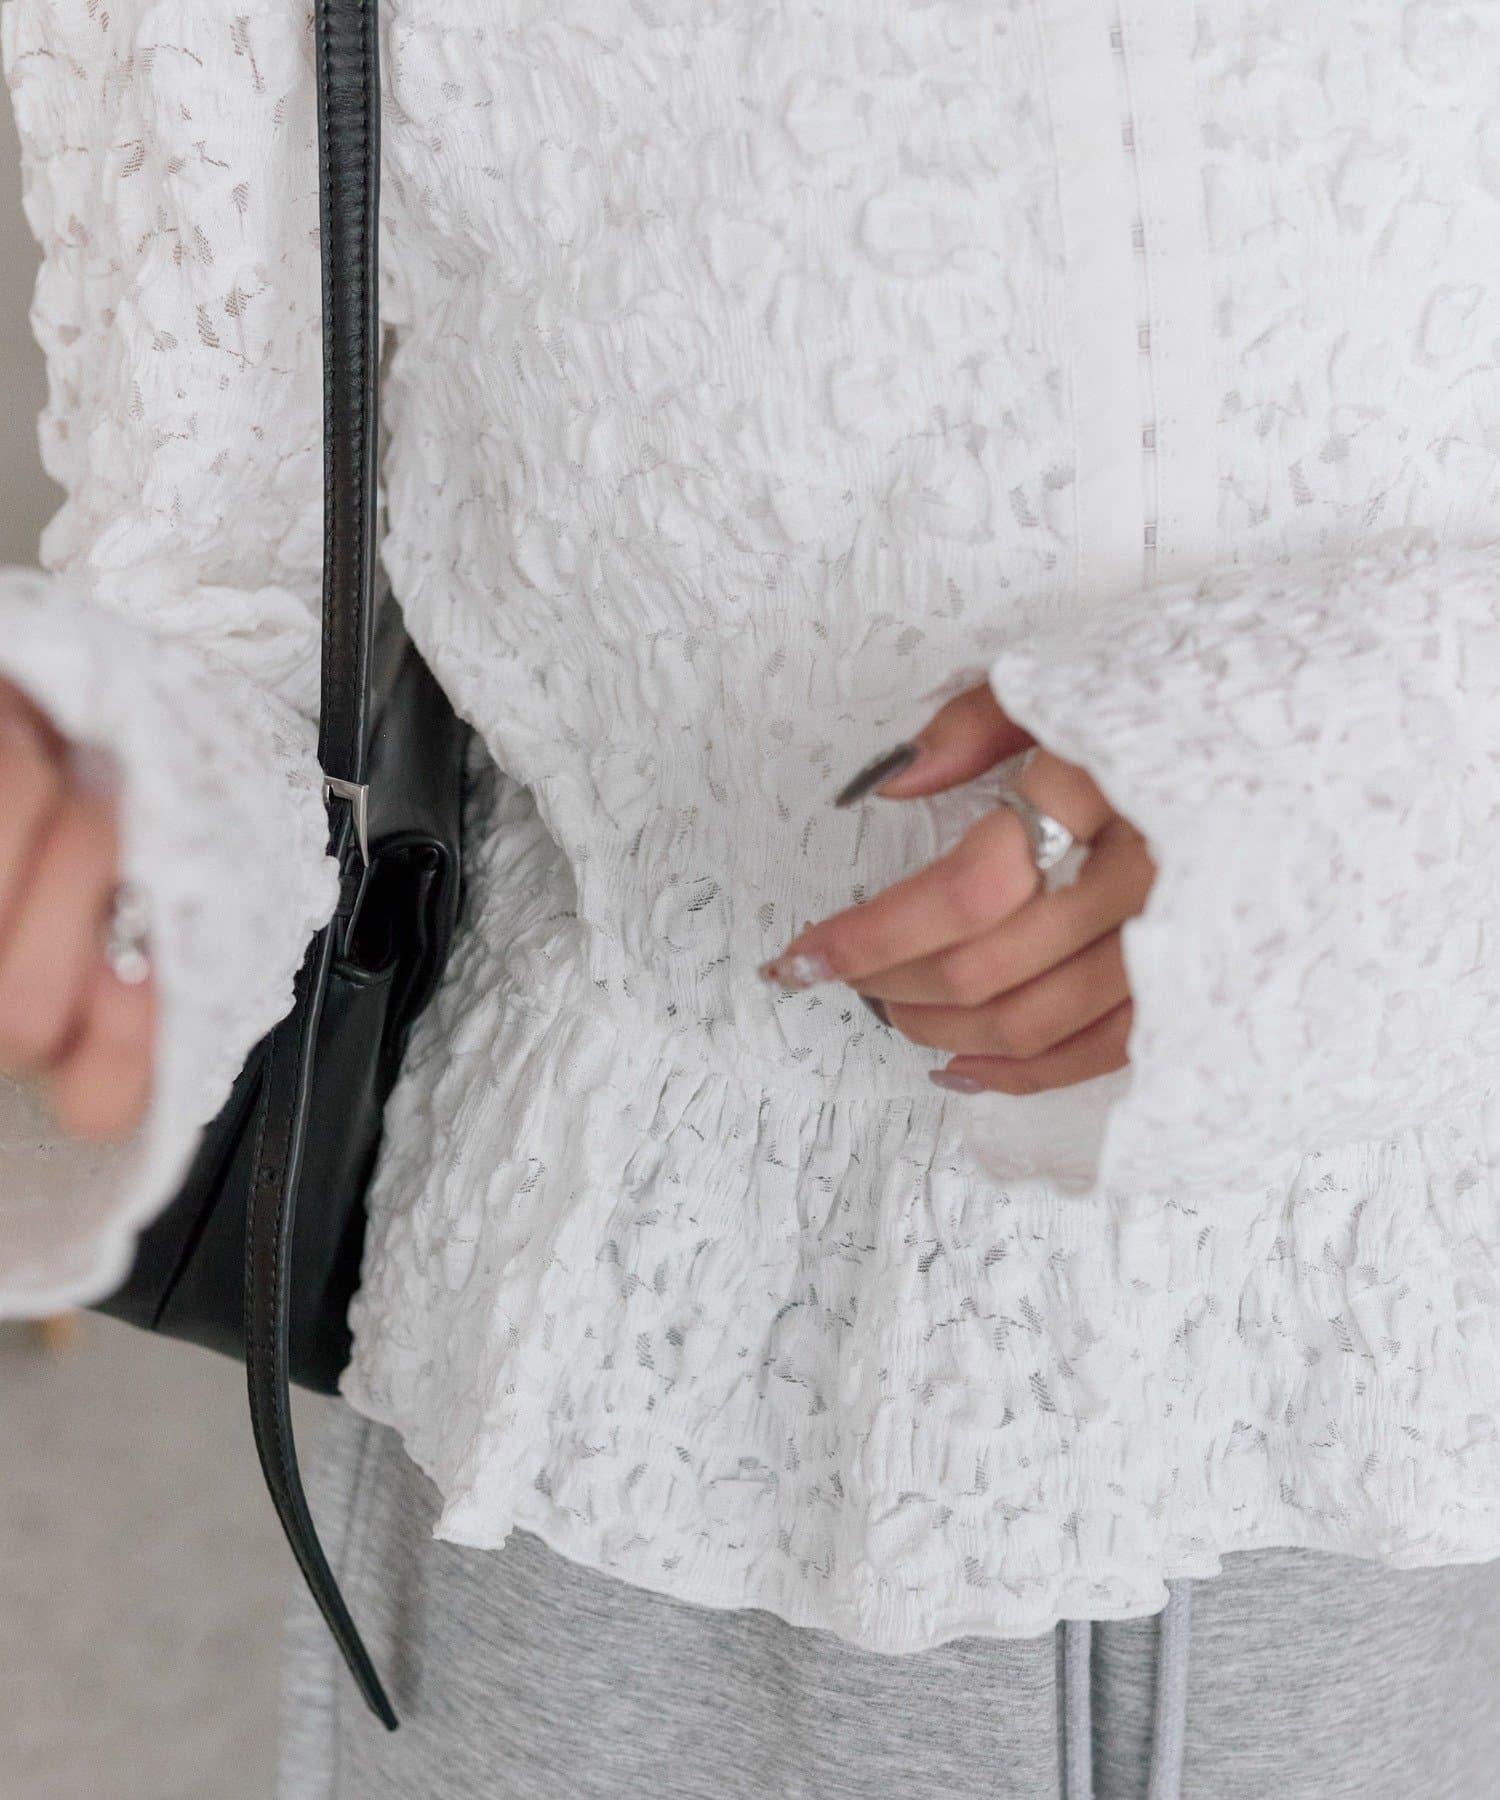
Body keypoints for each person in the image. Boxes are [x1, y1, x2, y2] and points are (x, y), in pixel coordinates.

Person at [4, 2, 1500, 1794]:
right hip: (653, 1415)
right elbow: (216, 619)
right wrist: (92, 829)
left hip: (1424, 1366)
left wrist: (1392, 774)